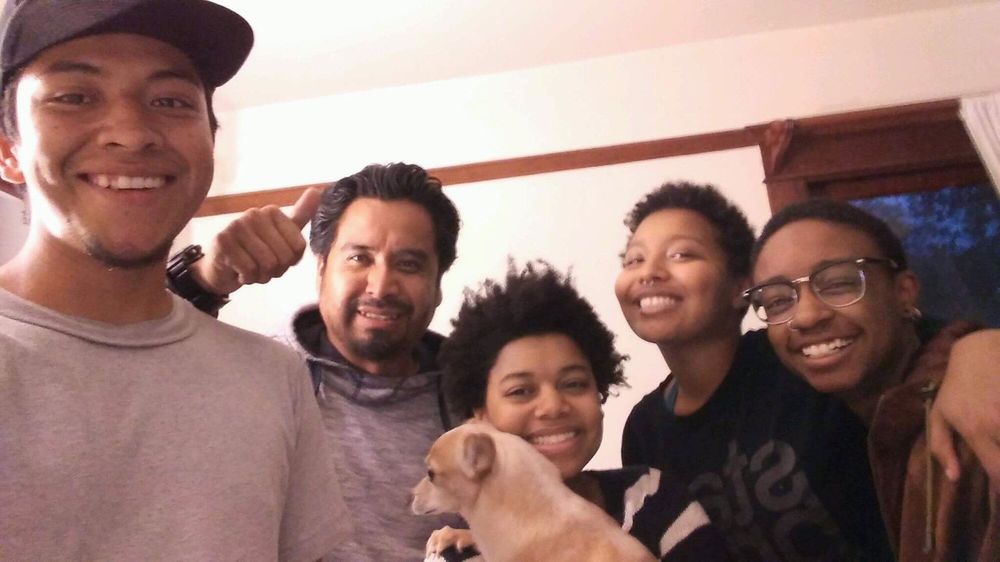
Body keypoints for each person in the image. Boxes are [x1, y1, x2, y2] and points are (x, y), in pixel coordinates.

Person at [0, 0, 347, 560]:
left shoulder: (272, 376)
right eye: (75, 96)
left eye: (169, 101)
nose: (132, 133)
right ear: (8, 151)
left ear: (210, 144)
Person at [172, 162, 465, 560]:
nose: (381, 286)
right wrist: (204, 280)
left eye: (409, 264)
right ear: (323, 269)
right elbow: (127, 369)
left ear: (437, 283)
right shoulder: (254, 378)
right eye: (360, 258)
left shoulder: (476, 399)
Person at [616, 183, 893, 560]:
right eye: (634, 260)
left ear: (741, 286)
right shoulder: (644, 430)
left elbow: (917, 350)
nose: (649, 273)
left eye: (681, 254)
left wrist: (970, 347)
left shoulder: (800, 359)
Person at [427, 261, 732, 561]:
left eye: (574, 384)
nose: (553, 406)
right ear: (479, 415)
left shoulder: (649, 496)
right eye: (520, 391)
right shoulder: (459, 552)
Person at [748, 200, 999, 561]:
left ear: (904, 291)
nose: (805, 316)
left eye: (838, 284)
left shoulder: (975, 408)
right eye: (776, 301)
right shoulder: (821, 422)